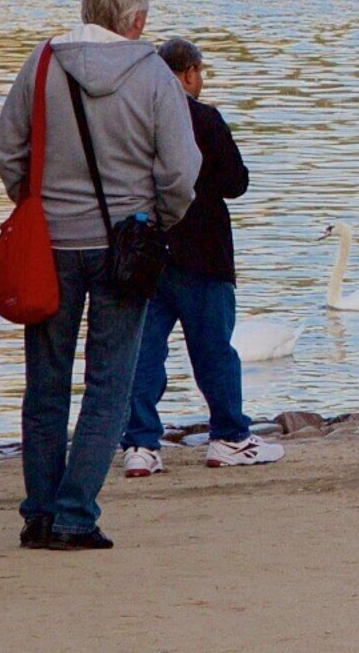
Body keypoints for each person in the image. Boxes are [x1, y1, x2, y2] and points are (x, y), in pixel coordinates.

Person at [0, 0, 200, 550]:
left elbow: (6, 149)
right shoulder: (155, 77)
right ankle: (76, 513)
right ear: (137, 20)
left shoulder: (43, 62)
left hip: (50, 245)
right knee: (110, 384)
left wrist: (31, 202)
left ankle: (37, 513)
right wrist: (159, 219)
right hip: (124, 246)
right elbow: (182, 172)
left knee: (46, 384)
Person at [120, 38, 279, 476]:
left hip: (145, 251)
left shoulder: (134, 119)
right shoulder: (204, 119)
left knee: (144, 352)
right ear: (188, 72)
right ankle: (229, 436)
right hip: (203, 252)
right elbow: (235, 182)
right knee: (213, 351)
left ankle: (140, 444)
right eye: (200, 72)